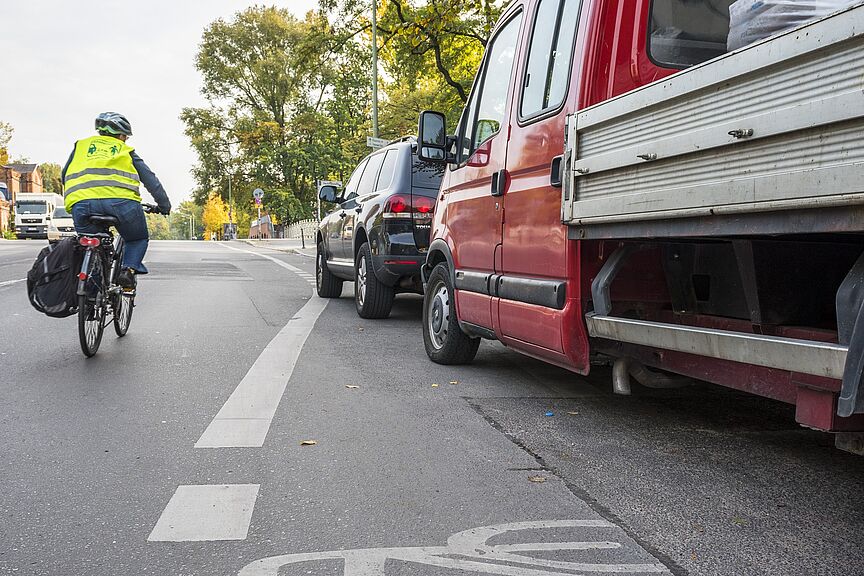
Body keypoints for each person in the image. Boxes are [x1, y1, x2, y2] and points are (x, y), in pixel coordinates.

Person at [62, 112, 171, 289]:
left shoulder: (80, 146)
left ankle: (90, 295)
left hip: (82, 205)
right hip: (122, 205)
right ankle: (127, 270)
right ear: (121, 135)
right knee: (137, 239)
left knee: (88, 245)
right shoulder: (125, 151)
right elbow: (151, 180)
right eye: (126, 137)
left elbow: (64, 174)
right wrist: (164, 206)